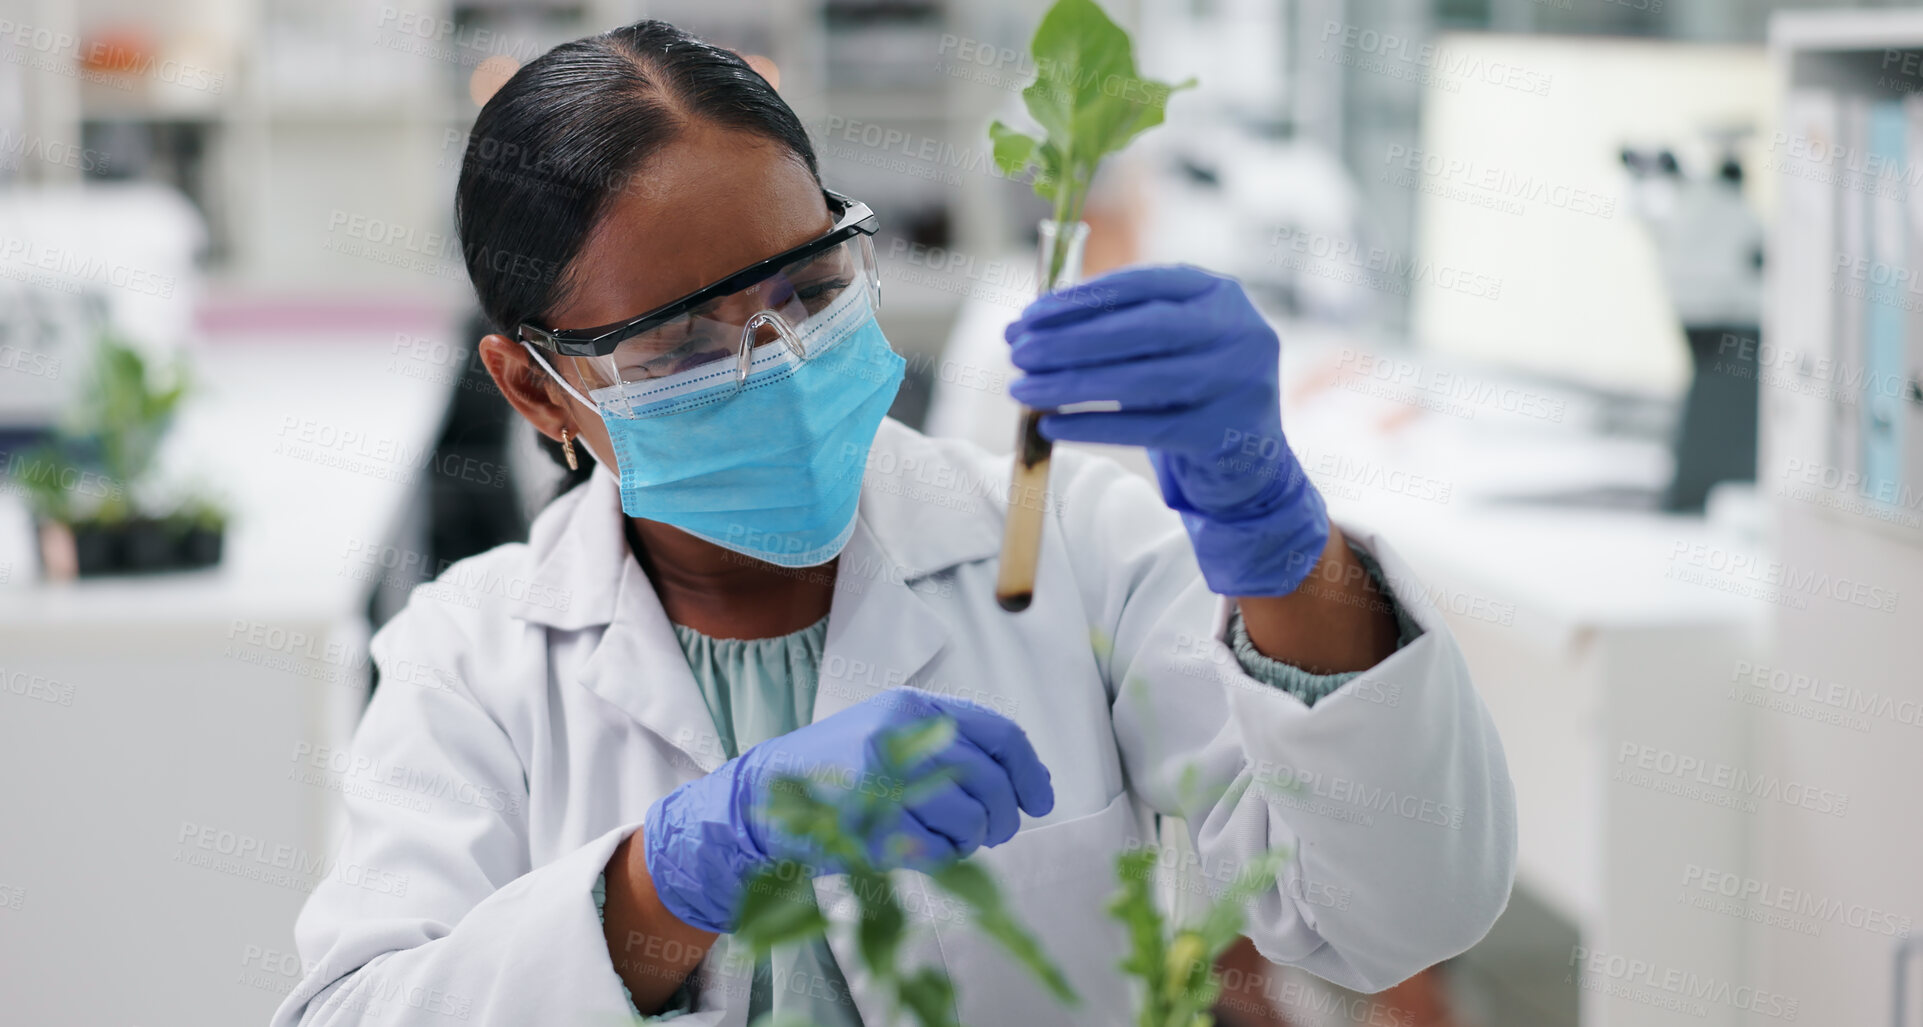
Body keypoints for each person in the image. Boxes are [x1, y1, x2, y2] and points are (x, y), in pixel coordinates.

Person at [272, 21, 1515, 1027]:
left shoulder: (1070, 546)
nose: (781, 359)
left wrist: (1280, 535)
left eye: (809, 287)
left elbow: (1395, 913)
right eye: (689, 337)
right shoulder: (471, 658)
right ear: (538, 386)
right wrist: (677, 867)